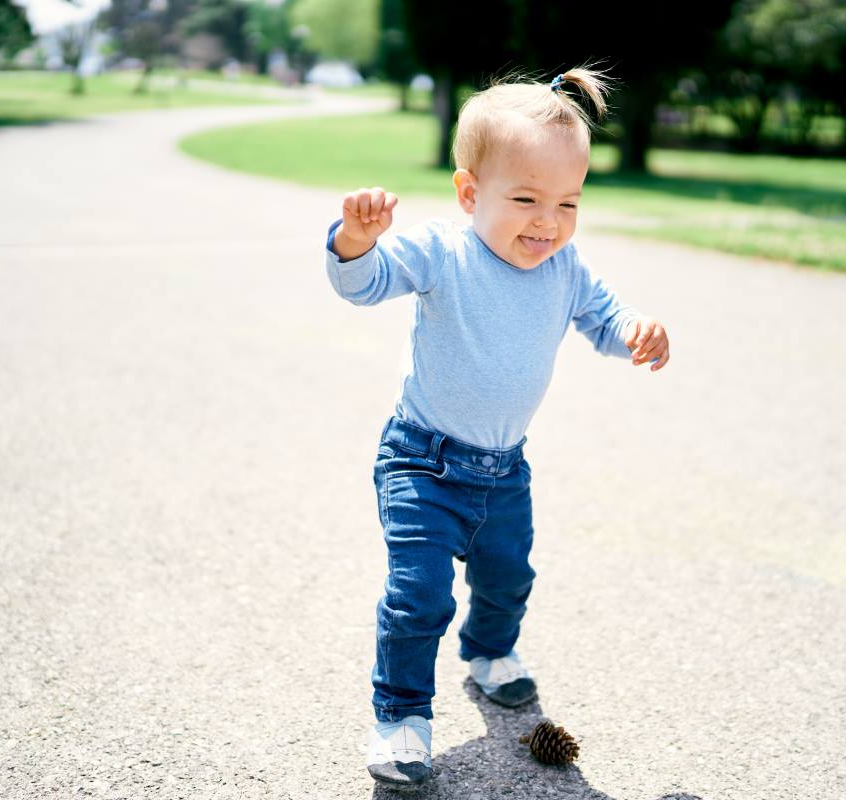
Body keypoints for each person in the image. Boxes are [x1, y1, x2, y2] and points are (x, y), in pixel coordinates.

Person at [322, 64, 671, 791]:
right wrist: (354, 241)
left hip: (504, 471)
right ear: (470, 192)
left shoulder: (564, 265)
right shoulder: (441, 252)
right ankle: (401, 718)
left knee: (510, 577)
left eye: (568, 203)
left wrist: (635, 329)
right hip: (423, 462)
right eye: (526, 199)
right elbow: (363, 284)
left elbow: (604, 319)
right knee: (419, 595)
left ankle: (489, 654)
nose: (548, 223)